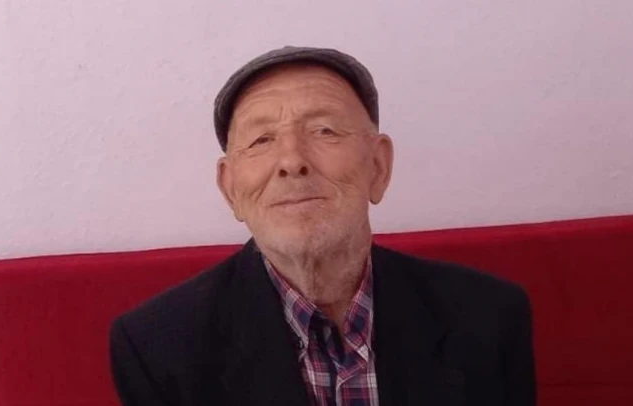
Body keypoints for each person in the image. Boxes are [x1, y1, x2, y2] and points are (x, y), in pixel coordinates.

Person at [109, 46, 536, 406]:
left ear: (378, 166)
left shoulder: (488, 317)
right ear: (231, 188)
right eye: (261, 140)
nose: (292, 160)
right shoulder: (157, 349)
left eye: (324, 130)